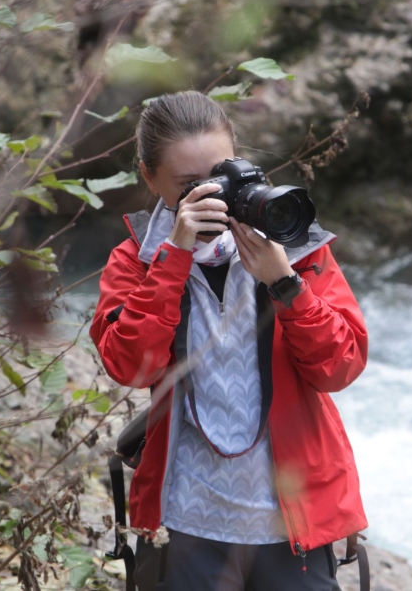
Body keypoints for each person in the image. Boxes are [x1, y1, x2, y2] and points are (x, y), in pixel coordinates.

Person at [89, 90, 368, 590]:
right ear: (149, 177)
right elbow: (130, 366)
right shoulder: (136, 260)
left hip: (290, 519)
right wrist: (174, 257)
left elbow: (340, 367)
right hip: (185, 519)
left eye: (220, 174)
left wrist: (286, 284)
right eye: (190, 185)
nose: (212, 196)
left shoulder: (296, 246)